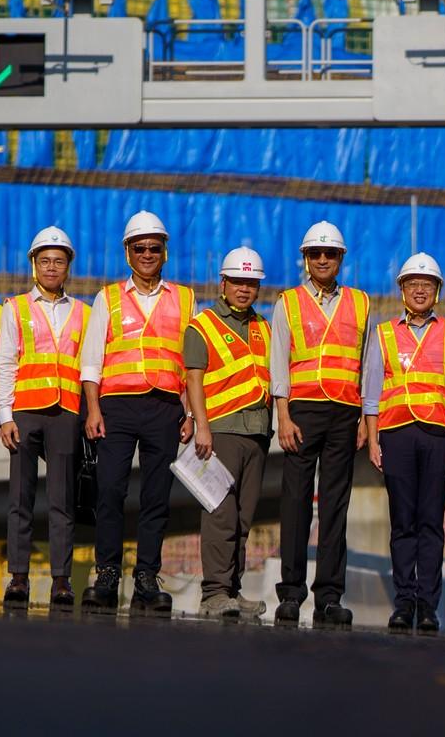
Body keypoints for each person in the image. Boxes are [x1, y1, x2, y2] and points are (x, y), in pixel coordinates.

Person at [79, 211, 199, 615]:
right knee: (111, 491)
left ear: (164, 252)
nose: (147, 254)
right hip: (116, 406)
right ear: (128, 252)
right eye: (139, 248)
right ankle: (107, 574)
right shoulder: (108, 298)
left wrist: (189, 413)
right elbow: (91, 360)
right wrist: (93, 409)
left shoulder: (185, 298)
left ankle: (147, 577)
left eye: (153, 247)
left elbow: (190, 363)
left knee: (156, 495)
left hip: (164, 407)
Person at [269, 220, 370, 628]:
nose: (323, 260)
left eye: (330, 254)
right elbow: (279, 361)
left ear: (341, 258)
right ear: (306, 259)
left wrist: (366, 418)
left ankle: (329, 596)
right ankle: (291, 594)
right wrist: (282, 415)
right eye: (316, 254)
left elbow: (366, 366)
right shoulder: (288, 303)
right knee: (295, 503)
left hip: (345, 412)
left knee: (334, 506)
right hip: (303, 413)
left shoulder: (360, 303)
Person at [366, 253, 445, 633]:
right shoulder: (384, 334)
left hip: (438, 435)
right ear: (402, 290)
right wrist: (372, 438)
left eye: (427, 284)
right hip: (397, 433)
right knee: (403, 522)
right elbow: (372, 390)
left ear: (437, 291)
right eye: (413, 284)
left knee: (431, 523)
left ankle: (428, 606)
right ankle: (404, 601)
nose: (420, 290)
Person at [0, 226, 87, 608]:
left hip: (65, 413)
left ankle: (61, 580)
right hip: (25, 412)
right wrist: (5, 415)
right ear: (34, 264)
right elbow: (6, 362)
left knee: (62, 500)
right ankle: (18, 576)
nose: (52, 267)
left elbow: (88, 366)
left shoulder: (84, 313)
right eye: (45, 260)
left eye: (59, 261)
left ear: (68, 267)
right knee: (20, 497)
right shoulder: (15, 308)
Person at [187, 247, 274, 621]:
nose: (244, 289)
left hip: (257, 433)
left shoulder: (263, 327)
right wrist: (201, 427)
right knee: (219, 514)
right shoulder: (203, 325)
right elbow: (193, 379)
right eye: (237, 281)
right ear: (223, 283)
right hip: (220, 431)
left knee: (242, 518)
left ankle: (232, 590)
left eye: (251, 283)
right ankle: (214, 593)